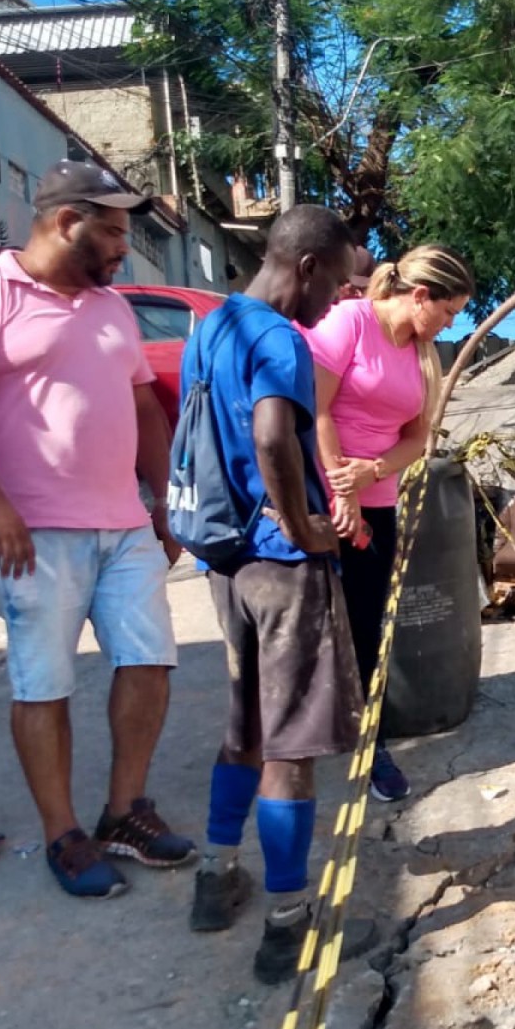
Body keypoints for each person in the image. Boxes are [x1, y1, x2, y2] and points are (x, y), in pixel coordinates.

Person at [0, 160, 193, 902]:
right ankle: (63, 833)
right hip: (32, 531)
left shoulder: (109, 308)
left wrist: (166, 499)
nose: (121, 249)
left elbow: (142, 407)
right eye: (110, 232)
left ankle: (124, 812)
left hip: (123, 522)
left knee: (149, 661)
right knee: (44, 684)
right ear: (66, 221)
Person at [187, 204, 364, 978]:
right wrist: (299, 525)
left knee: (245, 727)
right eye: (335, 282)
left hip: (223, 559)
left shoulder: (212, 327)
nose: (335, 301)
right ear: (306, 266)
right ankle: (289, 922)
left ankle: (215, 878)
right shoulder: (278, 339)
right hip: (279, 565)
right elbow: (269, 435)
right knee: (292, 746)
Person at [307, 243, 474, 803]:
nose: (450, 323)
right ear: (420, 295)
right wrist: (340, 486)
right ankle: (295, 743)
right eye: (448, 311)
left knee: (367, 629)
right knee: (305, 625)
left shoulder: (423, 354)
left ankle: (368, 742)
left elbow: (416, 438)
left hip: (376, 505)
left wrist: (373, 472)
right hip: (320, 498)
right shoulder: (351, 323)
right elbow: (317, 408)